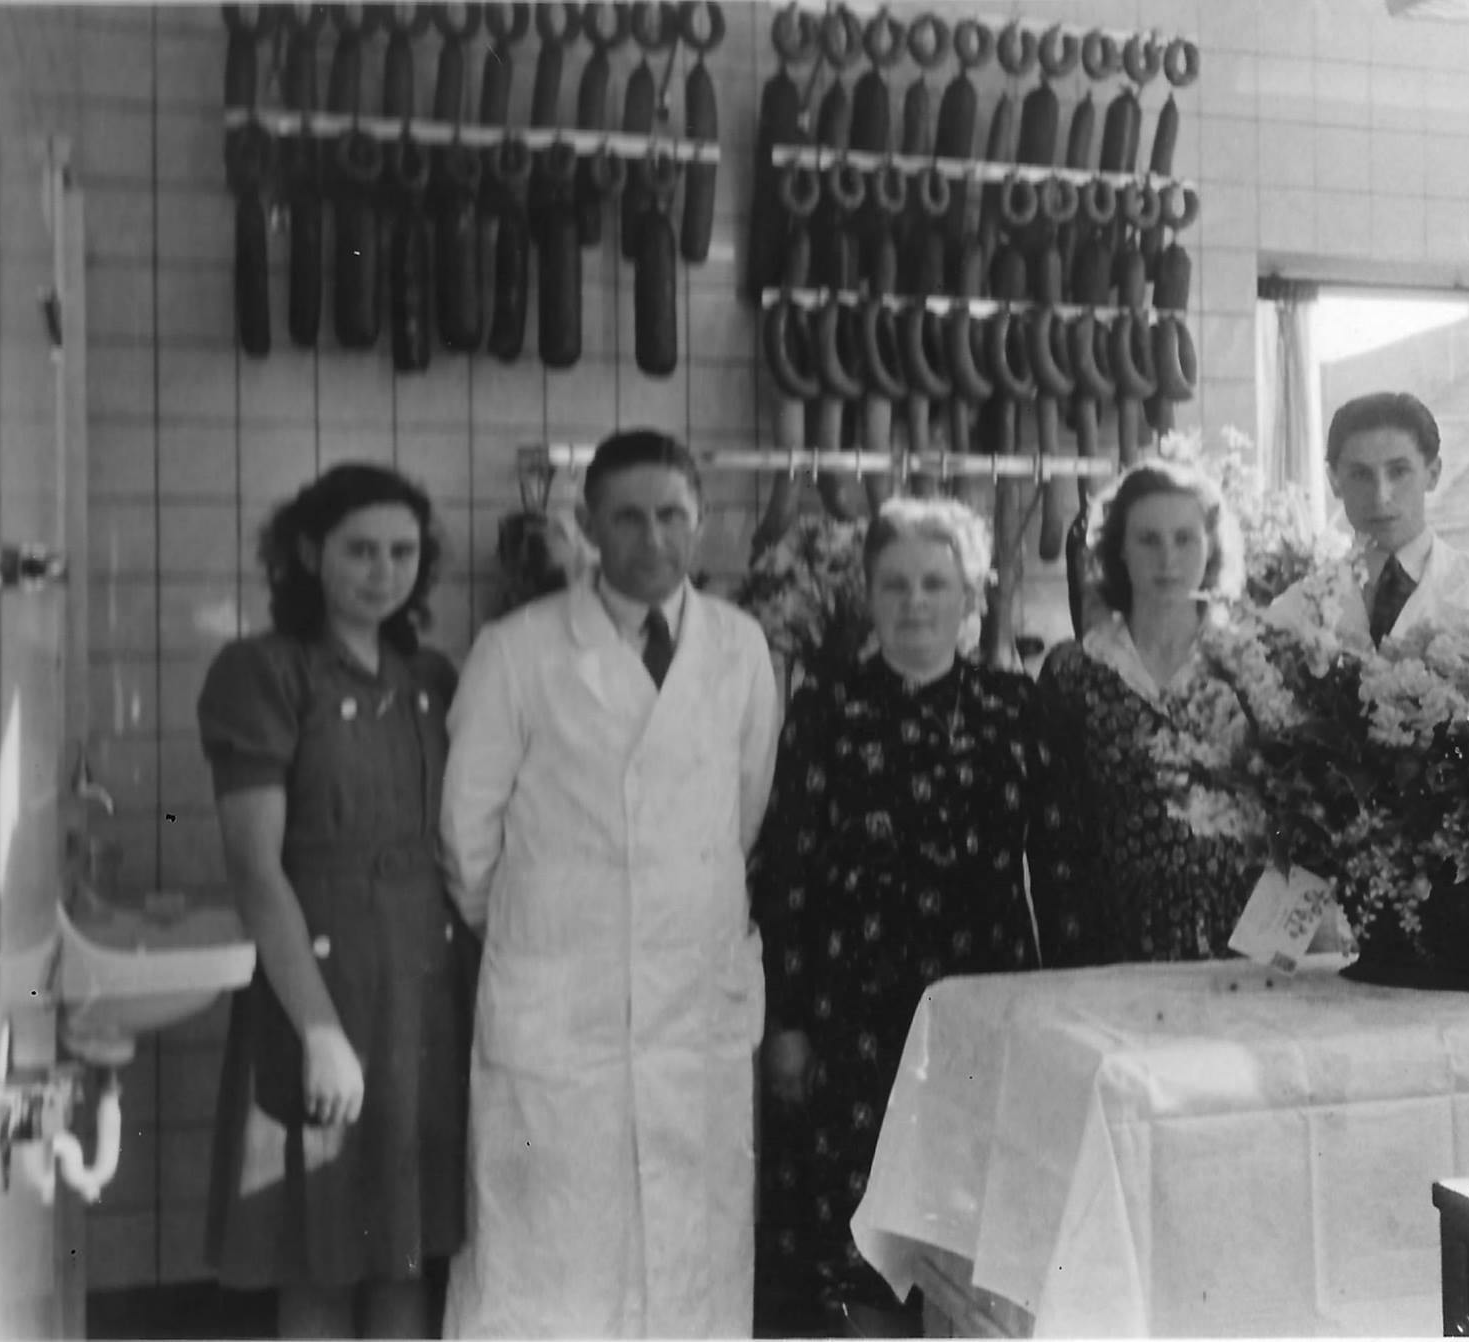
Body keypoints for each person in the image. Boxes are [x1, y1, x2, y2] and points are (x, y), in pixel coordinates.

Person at [439, 429, 782, 1338]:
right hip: (562, 1008)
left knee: (690, 1262)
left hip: (691, 1006)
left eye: (672, 515)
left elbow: (742, 814)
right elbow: (467, 841)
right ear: (588, 527)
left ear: (701, 523)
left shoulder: (742, 647)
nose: (652, 537)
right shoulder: (516, 650)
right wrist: (551, 934)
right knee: (553, 1261)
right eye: (627, 517)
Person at [750, 497, 1088, 1336]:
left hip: (985, 1011)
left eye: (935, 584)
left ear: (970, 595)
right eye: (894, 584)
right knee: (862, 1245)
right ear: (867, 594)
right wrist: (786, 1022)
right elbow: (788, 872)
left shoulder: (1017, 706)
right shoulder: (826, 708)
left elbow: (1061, 866)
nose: (914, 602)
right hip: (851, 1016)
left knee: (970, 1238)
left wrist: (1070, 1014)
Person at [196, 463, 468, 1339]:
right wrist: (319, 1033)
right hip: (316, 989)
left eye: (402, 552)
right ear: (310, 553)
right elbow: (254, 870)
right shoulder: (263, 673)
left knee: (405, 1252)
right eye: (360, 550)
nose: (383, 572)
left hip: (422, 996)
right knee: (317, 1255)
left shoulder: (432, 677)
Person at [1036, 461, 1254, 962]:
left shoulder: (1254, 666)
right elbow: (1055, 840)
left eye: (1184, 539)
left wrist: (1282, 950)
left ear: (1211, 546)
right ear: (1119, 550)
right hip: (1114, 947)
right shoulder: (1074, 672)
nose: (1167, 559)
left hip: (1242, 950)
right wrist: (1073, 965)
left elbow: (1296, 828)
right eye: (1148, 540)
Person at [1267, 391, 1469, 643]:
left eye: (1399, 472)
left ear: (1433, 474)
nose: (1381, 496)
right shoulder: (1291, 615)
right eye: (1361, 475)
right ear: (1335, 483)